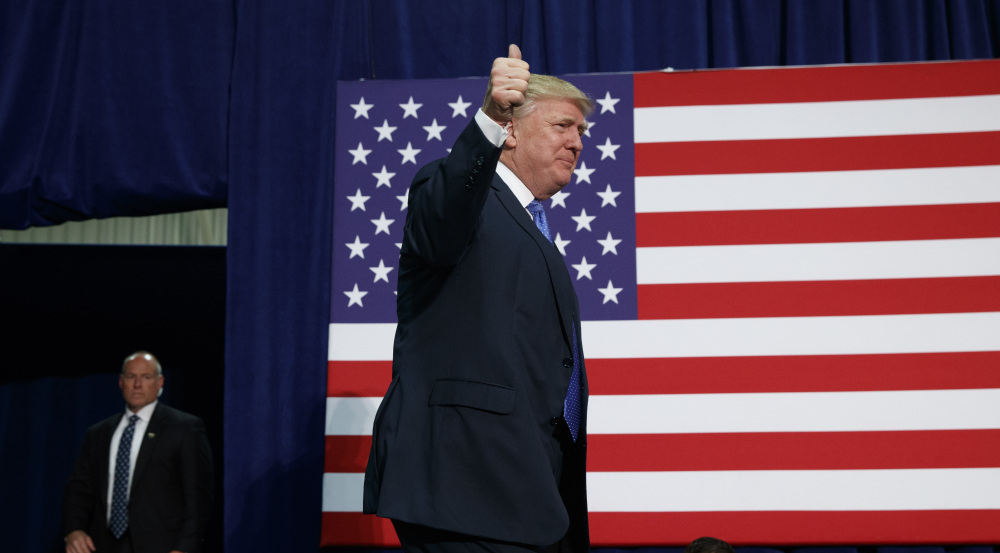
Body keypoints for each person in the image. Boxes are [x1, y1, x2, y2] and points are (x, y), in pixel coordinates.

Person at [363, 44, 593, 553]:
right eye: (562, 126)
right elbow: (444, 218)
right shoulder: (457, 192)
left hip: (527, 486)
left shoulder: (535, 226)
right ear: (510, 132)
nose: (577, 143)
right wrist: (488, 116)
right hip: (463, 481)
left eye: (581, 132)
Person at [62, 352, 213, 553]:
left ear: (160, 382)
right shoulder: (99, 433)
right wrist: (74, 530)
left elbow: (198, 498)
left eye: (146, 377)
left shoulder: (185, 428)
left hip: (161, 546)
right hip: (103, 545)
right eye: (131, 377)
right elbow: (79, 489)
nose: (137, 384)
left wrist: (184, 548)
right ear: (120, 382)